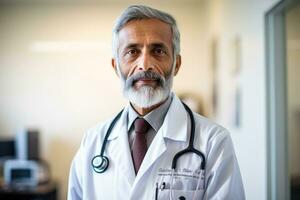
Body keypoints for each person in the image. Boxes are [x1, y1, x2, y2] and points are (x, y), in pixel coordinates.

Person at [68, 5, 245, 200]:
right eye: (132, 51)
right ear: (116, 67)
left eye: (158, 50)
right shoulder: (92, 142)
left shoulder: (213, 142)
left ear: (176, 64)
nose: (145, 64)